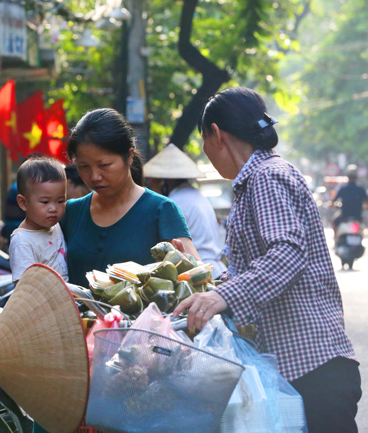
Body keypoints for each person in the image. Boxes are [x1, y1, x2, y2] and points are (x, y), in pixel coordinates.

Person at [173, 87, 360, 433]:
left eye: (203, 139)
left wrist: (222, 296)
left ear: (216, 134)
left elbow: (287, 254)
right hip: (297, 371)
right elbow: (258, 267)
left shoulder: (266, 177)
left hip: (313, 369)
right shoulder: (254, 181)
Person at [61, 108, 199, 286]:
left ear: (129, 156)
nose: (94, 176)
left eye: (104, 165)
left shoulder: (161, 210)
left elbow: (196, 273)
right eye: (84, 166)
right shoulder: (70, 212)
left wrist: (182, 269)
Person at [144, 143, 227, 277]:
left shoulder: (174, 203)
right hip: (214, 268)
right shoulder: (196, 195)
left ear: (164, 182)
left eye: (153, 184)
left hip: (198, 270)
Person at [9, 157, 68, 282]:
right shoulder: (22, 242)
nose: (53, 208)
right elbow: (26, 288)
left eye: (60, 201)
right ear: (23, 203)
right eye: (45, 202)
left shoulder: (55, 225)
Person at [333, 164, 368, 236]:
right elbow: (366, 202)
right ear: (356, 177)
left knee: (333, 221)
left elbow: (334, 201)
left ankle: (336, 239)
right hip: (358, 217)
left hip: (344, 216)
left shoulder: (343, 189)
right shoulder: (360, 189)